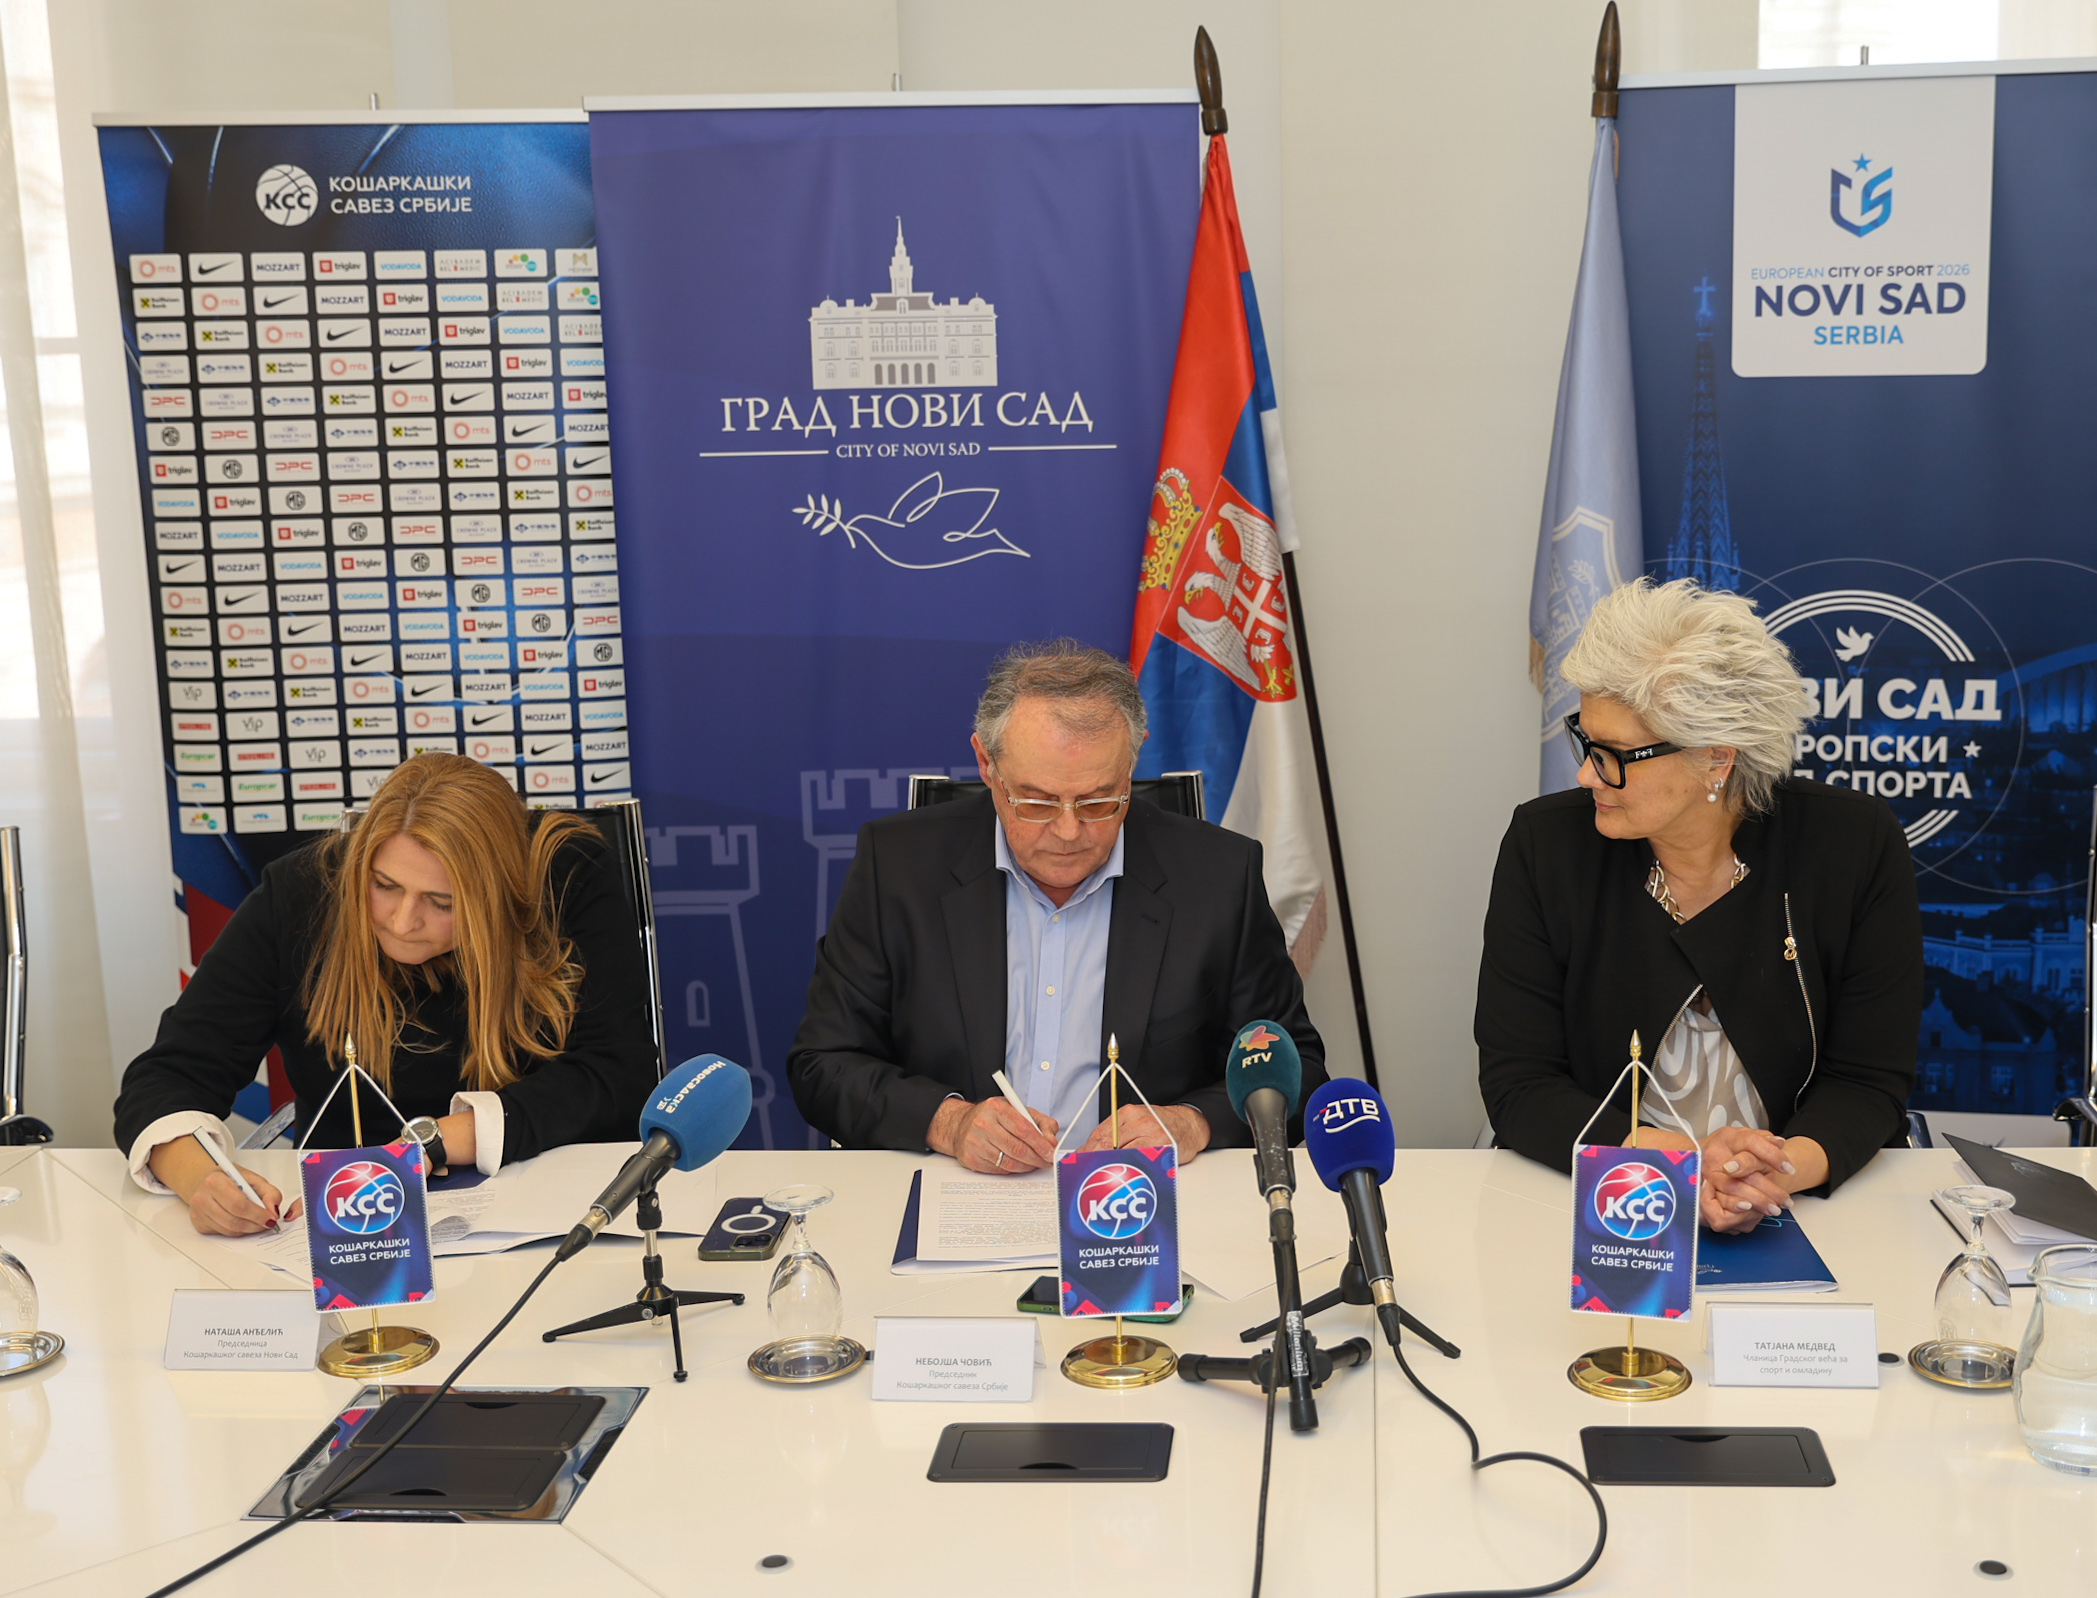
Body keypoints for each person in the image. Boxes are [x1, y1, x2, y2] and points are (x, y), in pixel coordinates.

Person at [1476, 579, 1923, 1231]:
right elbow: (1520, 1084)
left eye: (1615, 756)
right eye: (1585, 741)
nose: (1586, 774)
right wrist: (1681, 1166)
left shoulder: (1851, 843)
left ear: (1716, 758)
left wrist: (1766, 1177)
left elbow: (1867, 1080)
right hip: (1609, 1199)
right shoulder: (1546, 845)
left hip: (1804, 1205)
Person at [789, 639, 1325, 1172]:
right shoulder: (898, 867)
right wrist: (947, 1123)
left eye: (1098, 800)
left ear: (1132, 762)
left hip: (1141, 1196)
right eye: (1037, 802)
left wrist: (1192, 1122)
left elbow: (1296, 1068)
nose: (1069, 831)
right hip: (957, 1189)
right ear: (987, 764)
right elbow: (823, 1064)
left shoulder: (1218, 877)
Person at [114, 753, 660, 1236]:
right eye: (385, 886)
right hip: (352, 1224)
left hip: (554, 1206)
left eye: (441, 903)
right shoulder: (303, 894)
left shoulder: (564, 882)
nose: (402, 922)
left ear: (497, 897)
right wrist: (200, 1179)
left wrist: (440, 1141)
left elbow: (618, 1074)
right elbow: (169, 1076)